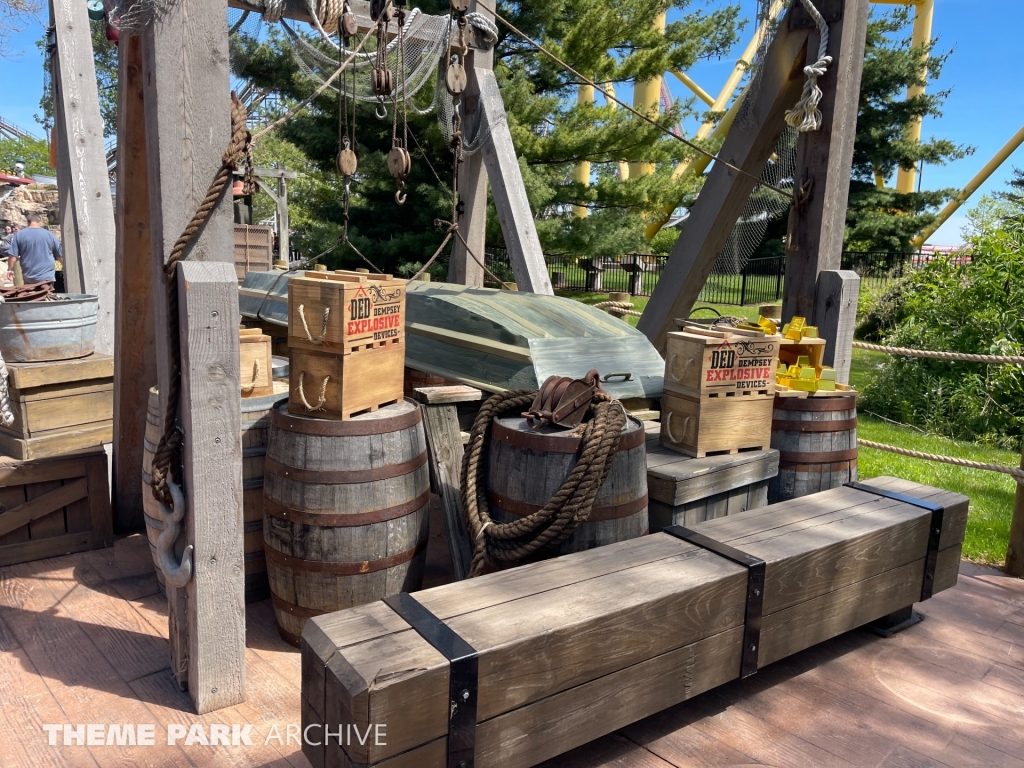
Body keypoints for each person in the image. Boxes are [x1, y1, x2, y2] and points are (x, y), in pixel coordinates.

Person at [8, 213, 62, 287]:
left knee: (32, 297)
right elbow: (60, 256)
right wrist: (65, 268)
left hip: (29, 278)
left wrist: (10, 269)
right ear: (40, 222)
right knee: (47, 297)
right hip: (47, 278)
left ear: (28, 222)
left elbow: (12, 256)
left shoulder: (19, 235)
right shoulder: (49, 235)